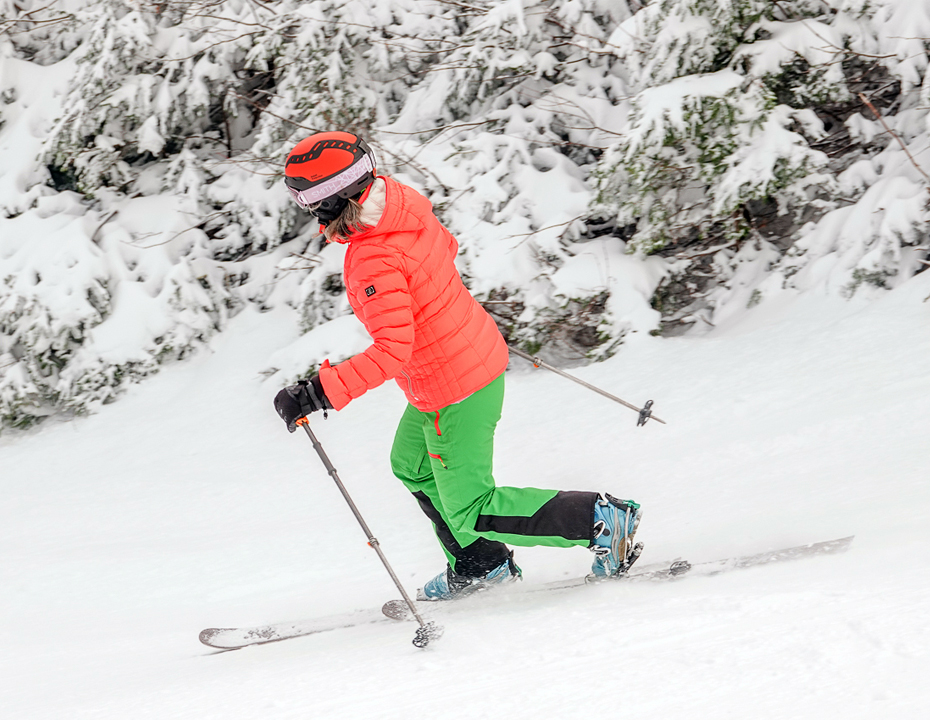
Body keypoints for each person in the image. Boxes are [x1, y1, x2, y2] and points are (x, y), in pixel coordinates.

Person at [273, 131, 642, 600]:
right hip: (463, 355)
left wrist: (317, 393)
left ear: (329, 198)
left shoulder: (371, 255)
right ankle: (480, 563)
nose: (304, 207)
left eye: (303, 195)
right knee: (411, 464)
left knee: (470, 506)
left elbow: (392, 350)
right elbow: (443, 253)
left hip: (453, 383)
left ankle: (601, 520)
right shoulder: (398, 207)